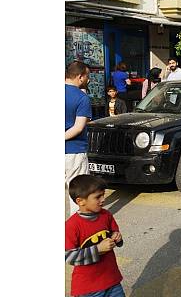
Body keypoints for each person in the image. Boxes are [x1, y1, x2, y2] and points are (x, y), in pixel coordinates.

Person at [65, 174, 125, 297]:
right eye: (98, 197)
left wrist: (117, 237)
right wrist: (98, 249)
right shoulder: (71, 225)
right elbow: (69, 256)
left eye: (103, 194)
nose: (103, 199)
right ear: (80, 201)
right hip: (88, 288)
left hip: (112, 281)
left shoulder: (106, 215)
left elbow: (114, 232)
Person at [66, 61, 92, 217]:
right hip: (74, 152)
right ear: (80, 77)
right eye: (87, 76)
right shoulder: (82, 98)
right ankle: (77, 232)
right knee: (78, 194)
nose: (88, 80)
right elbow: (78, 127)